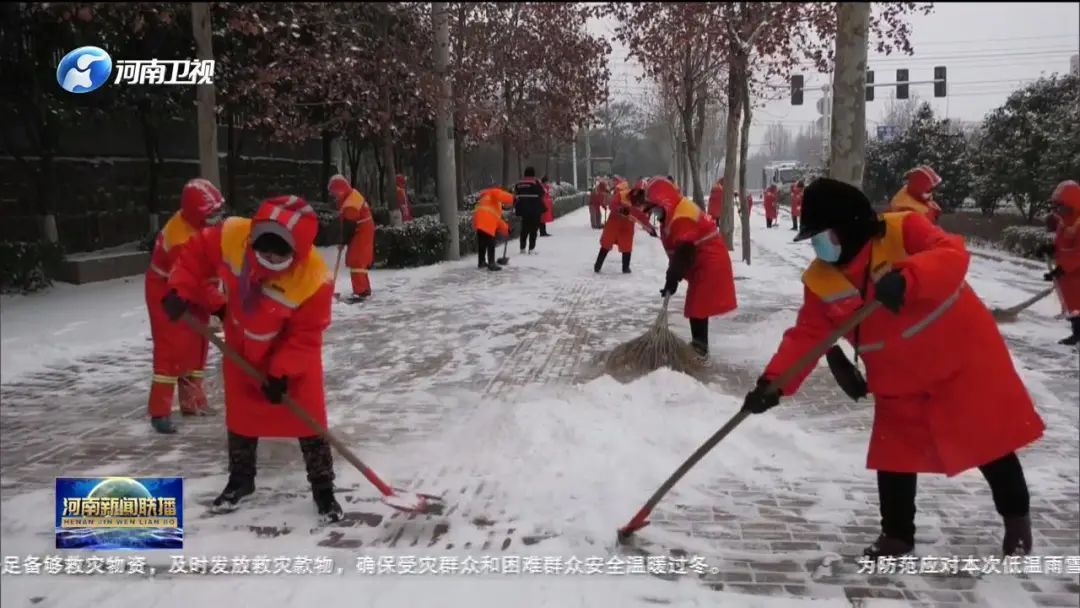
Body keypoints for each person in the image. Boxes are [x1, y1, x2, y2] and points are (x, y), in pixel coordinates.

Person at [740, 178, 1044, 558]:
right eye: (815, 236)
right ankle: (897, 536)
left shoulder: (904, 230)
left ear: (850, 225)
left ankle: (1017, 524)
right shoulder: (822, 279)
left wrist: (909, 277)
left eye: (825, 234)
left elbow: (952, 254)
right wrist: (773, 383)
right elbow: (806, 335)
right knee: (895, 455)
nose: (819, 245)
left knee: (987, 443)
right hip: (897, 379)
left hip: (959, 363)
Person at [162, 194, 343, 522]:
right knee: (241, 420)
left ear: (297, 250)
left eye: (280, 250)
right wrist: (180, 289)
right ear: (253, 236)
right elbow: (195, 255)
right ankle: (241, 481)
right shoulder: (232, 236)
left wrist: (281, 372)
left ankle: (323, 489)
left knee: (309, 421)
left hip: (291, 361)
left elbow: (306, 335)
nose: (269, 256)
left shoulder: (313, 279)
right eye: (263, 246)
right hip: (241, 347)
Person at [145, 178, 226, 434]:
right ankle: (160, 412)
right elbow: (195, 281)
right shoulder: (180, 238)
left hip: (199, 289)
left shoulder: (206, 226)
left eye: (217, 212)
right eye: (210, 214)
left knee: (197, 344)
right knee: (172, 349)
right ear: (194, 213)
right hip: (168, 293)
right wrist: (221, 307)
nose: (216, 218)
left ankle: (193, 402)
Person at [639, 177, 737, 357]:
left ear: (664, 202)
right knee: (695, 305)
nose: (654, 213)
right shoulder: (674, 211)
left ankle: (700, 349)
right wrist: (672, 276)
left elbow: (683, 253)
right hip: (700, 262)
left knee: (697, 306)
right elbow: (677, 250)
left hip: (709, 262)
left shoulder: (682, 217)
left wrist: (672, 278)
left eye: (656, 208)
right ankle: (699, 346)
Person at [1039, 180, 1080, 345]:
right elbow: (1062, 245)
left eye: (1062, 207)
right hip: (1070, 275)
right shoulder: (1065, 222)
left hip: (1076, 273)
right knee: (1073, 303)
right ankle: (1077, 333)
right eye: (1057, 207)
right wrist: (1050, 249)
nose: (1059, 212)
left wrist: (1062, 269)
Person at [594, 179, 656, 274]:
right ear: (634, 191)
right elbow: (612, 205)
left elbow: (642, 217)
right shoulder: (621, 195)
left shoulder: (641, 202)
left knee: (627, 246)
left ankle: (625, 267)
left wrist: (650, 228)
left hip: (627, 226)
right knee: (606, 244)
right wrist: (620, 209)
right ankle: (597, 265)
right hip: (614, 223)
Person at [328, 175, 374, 302]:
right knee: (358, 261)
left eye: (334, 193)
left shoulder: (350, 204)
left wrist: (343, 241)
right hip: (362, 231)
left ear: (340, 191)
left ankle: (361, 292)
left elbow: (349, 226)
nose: (334, 197)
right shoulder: (351, 195)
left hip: (361, 232)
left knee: (356, 261)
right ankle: (364, 289)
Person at [473, 186, 514, 271]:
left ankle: (481, 262)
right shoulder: (495, 191)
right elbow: (501, 195)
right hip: (487, 220)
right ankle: (491, 263)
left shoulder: (488, 198)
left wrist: (507, 229)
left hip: (479, 220)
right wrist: (513, 198)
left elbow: (496, 219)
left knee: (482, 244)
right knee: (491, 243)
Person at [513, 166, 546, 254]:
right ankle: (531, 249)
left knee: (524, 228)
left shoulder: (519, 183)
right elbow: (542, 192)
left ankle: (522, 248)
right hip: (534, 208)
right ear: (533, 173)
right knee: (533, 229)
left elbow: (515, 194)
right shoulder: (535, 182)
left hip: (523, 209)